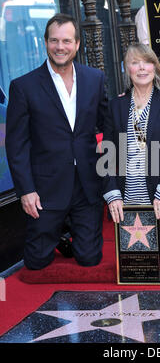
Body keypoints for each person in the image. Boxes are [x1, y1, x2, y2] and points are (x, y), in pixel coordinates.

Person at [5, 13, 107, 270]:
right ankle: (59, 234)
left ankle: (70, 235)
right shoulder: (23, 86)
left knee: (89, 259)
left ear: (77, 44)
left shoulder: (95, 79)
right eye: (54, 41)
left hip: (86, 184)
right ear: (45, 43)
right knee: (37, 262)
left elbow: (110, 125)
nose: (60, 47)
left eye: (66, 41)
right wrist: (26, 191)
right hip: (46, 189)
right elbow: (16, 145)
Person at [102, 43, 160, 266]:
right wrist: (112, 192)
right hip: (129, 199)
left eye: (147, 62)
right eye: (135, 63)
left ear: (155, 67)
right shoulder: (116, 106)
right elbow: (107, 154)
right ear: (126, 69)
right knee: (137, 264)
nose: (142, 68)